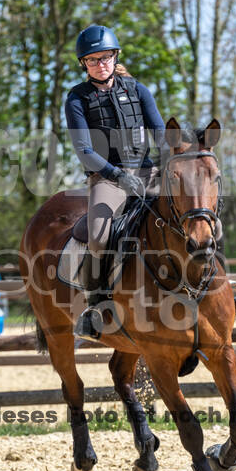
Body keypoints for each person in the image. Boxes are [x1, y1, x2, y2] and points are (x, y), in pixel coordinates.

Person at [65, 24, 165, 341]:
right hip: (107, 178)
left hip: (147, 172)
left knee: (195, 211)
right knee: (98, 235)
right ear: (84, 64)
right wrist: (118, 175)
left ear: (115, 56)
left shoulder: (137, 90)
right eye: (92, 60)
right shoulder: (77, 98)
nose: (100, 64)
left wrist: (174, 162)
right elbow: (84, 150)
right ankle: (97, 305)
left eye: (105, 57)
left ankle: (220, 285)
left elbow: (161, 133)